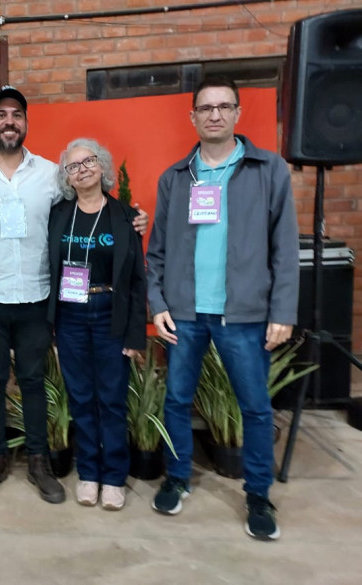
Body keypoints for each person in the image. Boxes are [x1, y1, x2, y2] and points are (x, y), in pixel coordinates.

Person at [0, 86, 148, 504]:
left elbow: (89, 207)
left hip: (38, 298)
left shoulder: (52, 174)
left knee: (34, 381)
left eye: (16, 114)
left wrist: (131, 218)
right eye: (1, 114)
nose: (9, 121)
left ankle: (38, 461)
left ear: (26, 123)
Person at [146, 76, 299, 540]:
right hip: (185, 313)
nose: (214, 114)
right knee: (176, 400)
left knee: (255, 407)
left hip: (245, 315)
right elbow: (157, 251)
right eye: (206, 107)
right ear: (192, 116)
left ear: (237, 113)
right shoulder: (176, 178)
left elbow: (285, 249)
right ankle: (177, 477)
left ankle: (258, 494)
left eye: (224, 106)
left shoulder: (268, 170)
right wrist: (157, 303)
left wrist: (283, 311)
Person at [47, 138, 146, 511]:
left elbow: (137, 279)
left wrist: (135, 333)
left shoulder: (125, 216)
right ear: (67, 178)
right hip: (69, 313)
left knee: (112, 399)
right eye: (73, 166)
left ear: (102, 166)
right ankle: (88, 473)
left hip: (109, 312)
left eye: (89, 161)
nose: (82, 169)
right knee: (81, 398)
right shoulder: (58, 215)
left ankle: (115, 477)